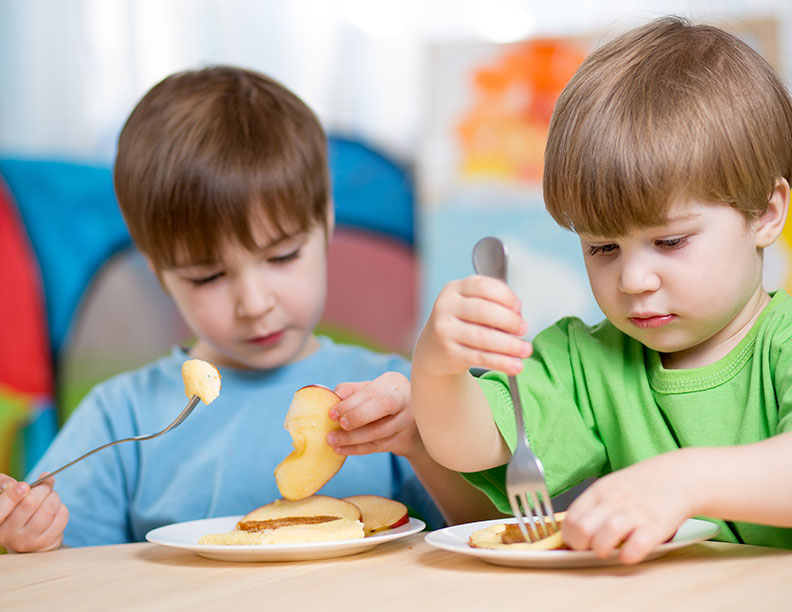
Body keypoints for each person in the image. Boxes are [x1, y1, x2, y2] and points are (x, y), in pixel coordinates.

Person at [411, 16, 792, 569]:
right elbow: (470, 445)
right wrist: (438, 365)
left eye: (669, 241)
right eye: (602, 248)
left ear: (764, 215)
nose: (633, 279)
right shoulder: (585, 360)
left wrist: (685, 480)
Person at [0, 65, 495, 552]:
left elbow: (489, 532)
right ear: (158, 272)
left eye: (281, 257)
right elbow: (68, 575)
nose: (255, 305)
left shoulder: (396, 396)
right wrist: (30, 539)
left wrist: (423, 444)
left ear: (325, 226)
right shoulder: (119, 416)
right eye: (208, 276)